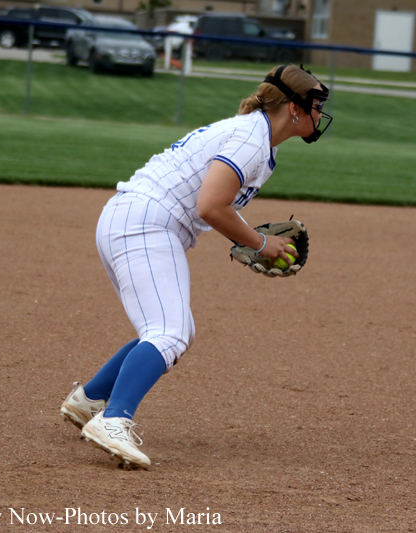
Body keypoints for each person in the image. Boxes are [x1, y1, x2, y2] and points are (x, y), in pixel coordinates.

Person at [59, 65, 333, 469]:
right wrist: (258, 242)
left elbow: (210, 206)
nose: (319, 113)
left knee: (174, 329)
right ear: (294, 108)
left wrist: (249, 239)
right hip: (145, 224)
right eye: (315, 105)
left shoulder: (257, 137)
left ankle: (89, 401)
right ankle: (113, 419)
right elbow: (210, 206)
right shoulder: (250, 138)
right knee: (168, 332)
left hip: (136, 219)